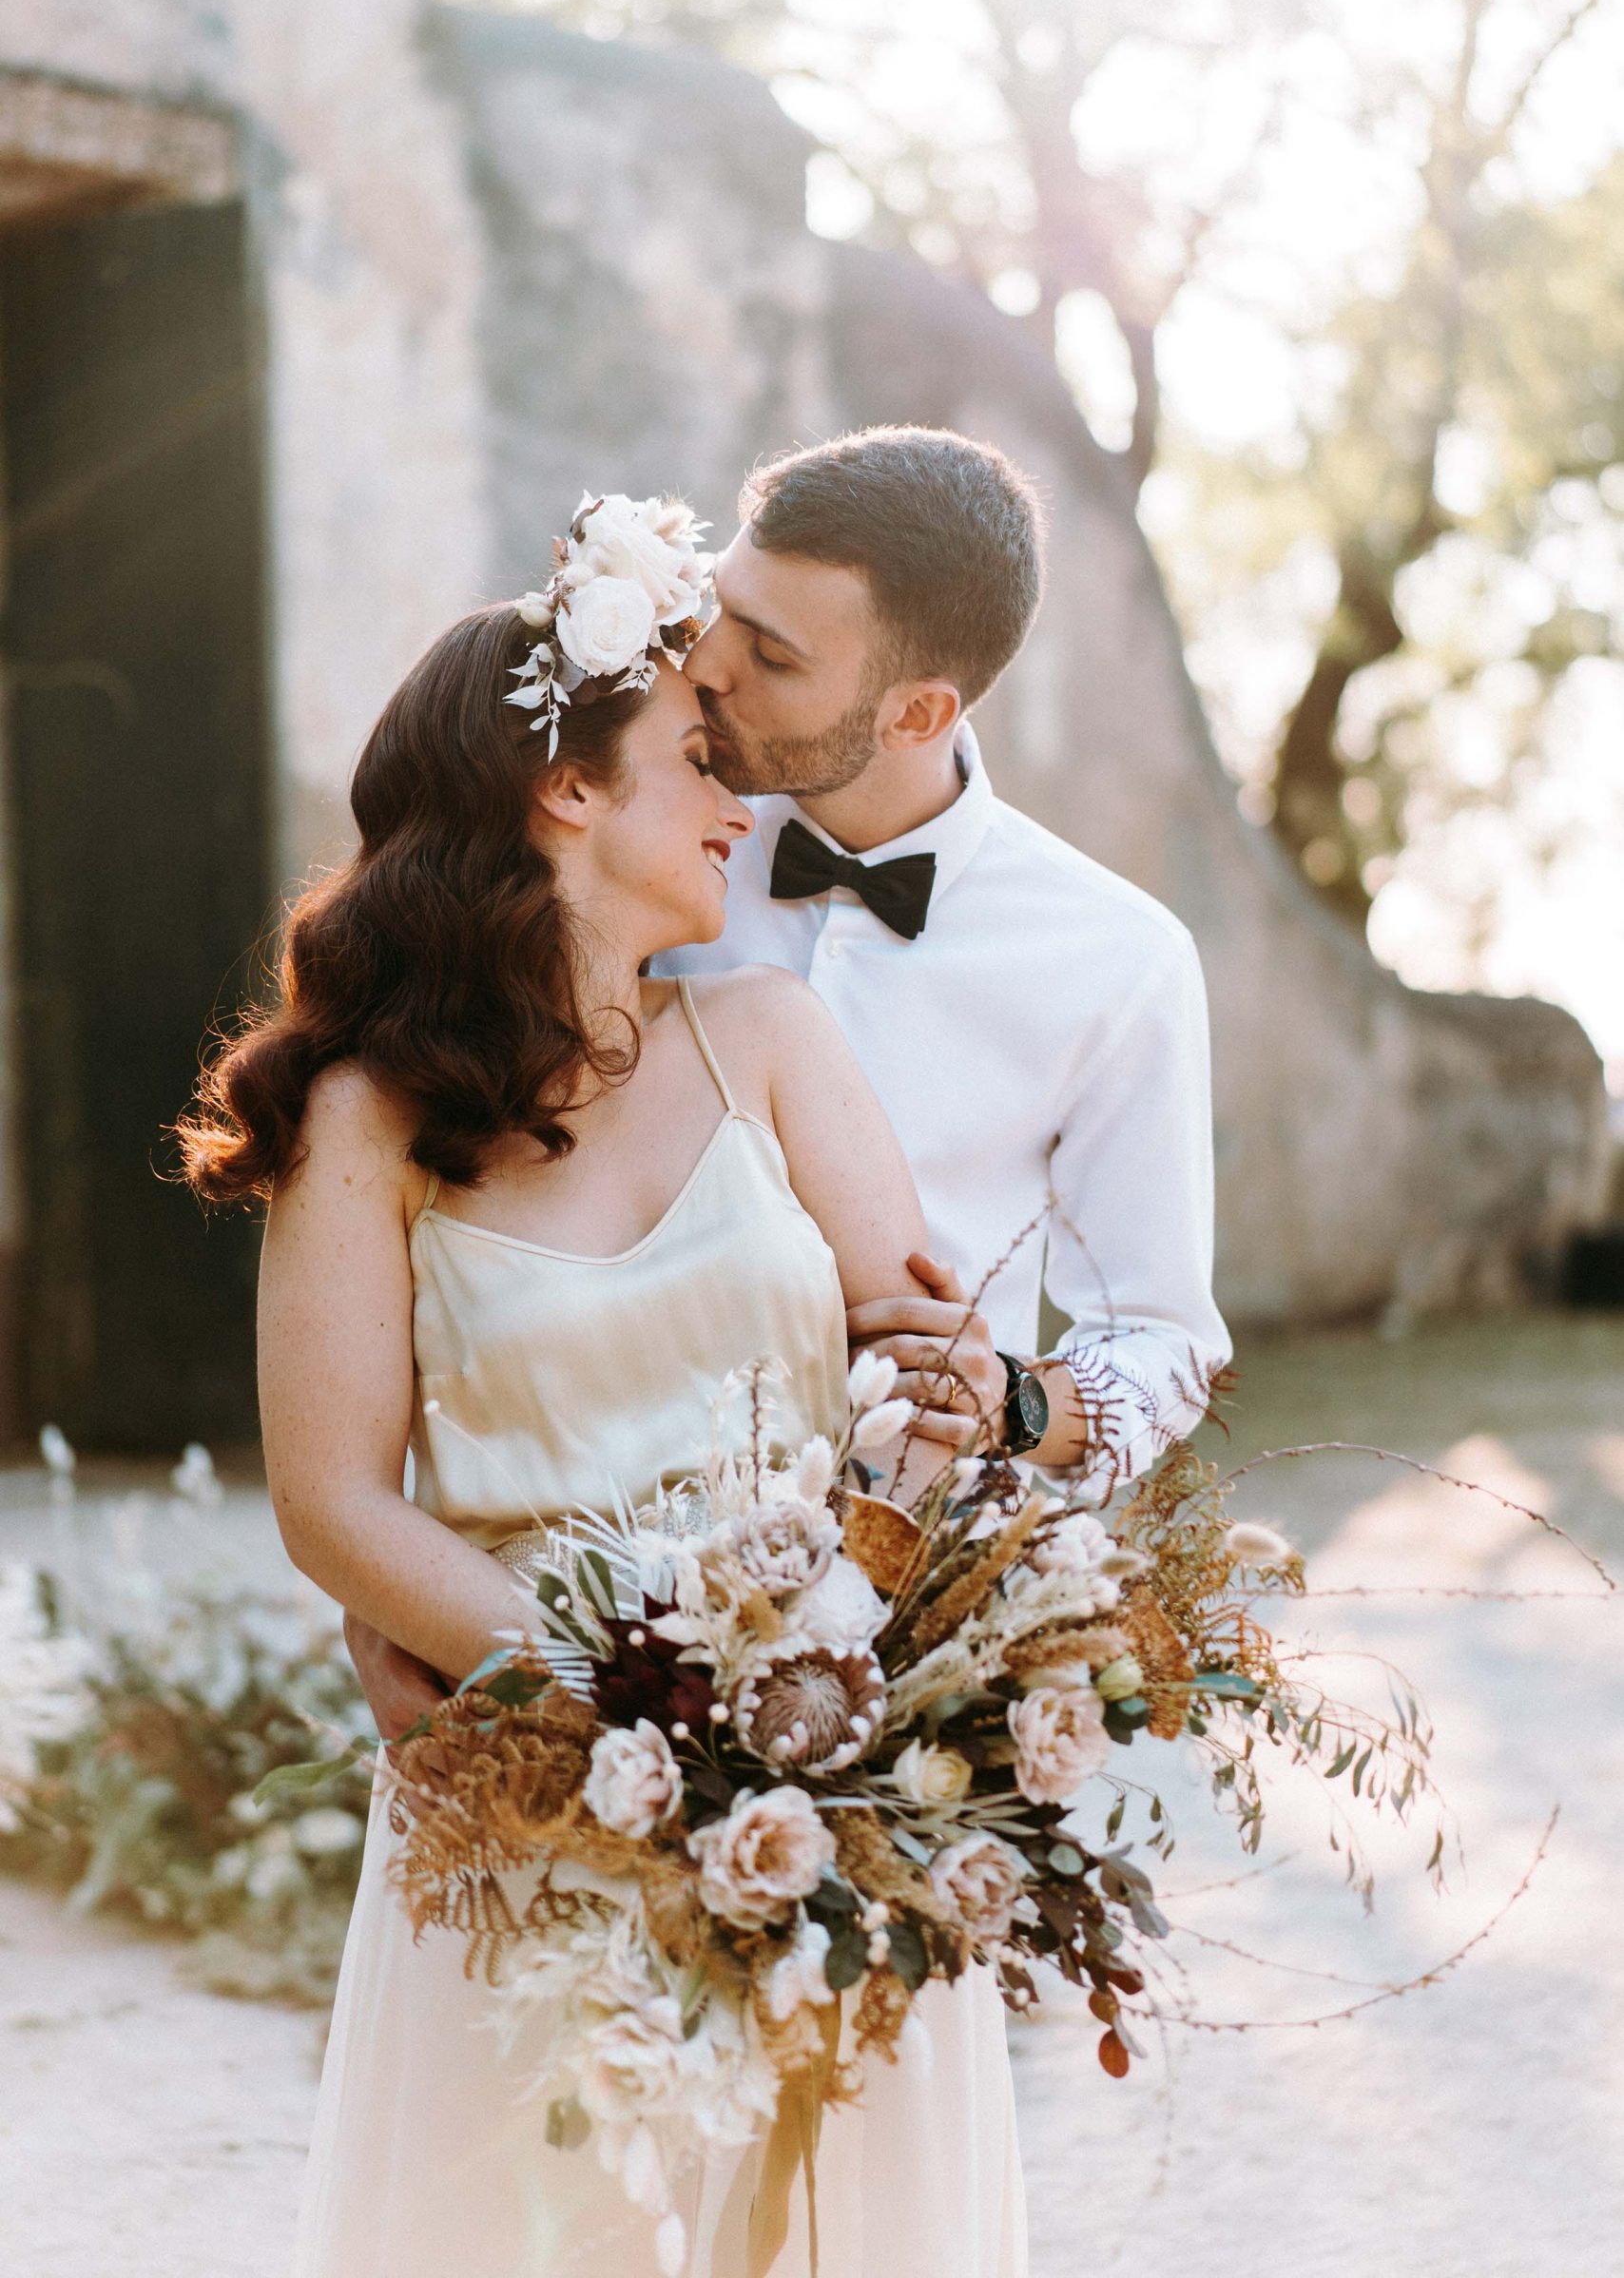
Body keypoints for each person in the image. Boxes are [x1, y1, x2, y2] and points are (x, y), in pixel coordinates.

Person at [180, 498, 1025, 2278]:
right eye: (695, 763)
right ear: (567, 789)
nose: (743, 803)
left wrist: (945, 1441)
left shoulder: (779, 1042)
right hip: (539, 1805)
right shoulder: (366, 1121)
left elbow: (919, 1383)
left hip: (816, 1794)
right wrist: (627, 1711)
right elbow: (333, 1500)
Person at [349, 428, 1230, 1745]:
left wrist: (1019, 1405)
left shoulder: (1120, 962)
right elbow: (441, 1133)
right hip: (564, 1617)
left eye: (774, 659)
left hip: (901, 1643)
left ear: (918, 712)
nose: (708, 669)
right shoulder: (643, 833)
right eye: (726, 616)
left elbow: (1167, 1340)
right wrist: (403, 1586)